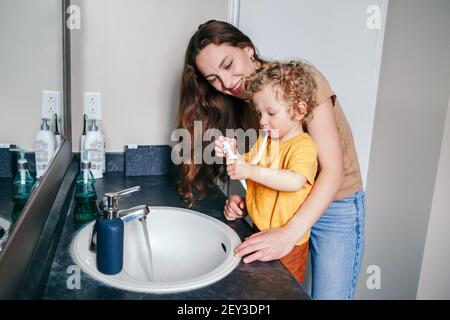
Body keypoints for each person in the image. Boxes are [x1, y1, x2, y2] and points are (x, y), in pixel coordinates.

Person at [175, 20, 366, 299]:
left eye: (227, 65)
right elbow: (268, 165)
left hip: (335, 203)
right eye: (213, 79)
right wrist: (249, 201)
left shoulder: (300, 82)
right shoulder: (241, 104)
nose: (226, 83)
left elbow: (332, 171)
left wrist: (290, 234)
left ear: (248, 50)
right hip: (284, 203)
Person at [215, 60, 318, 283]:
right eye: (259, 112)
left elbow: (294, 181)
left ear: (299, 111)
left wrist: (250, 170)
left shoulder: (304, 146)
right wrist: (231, 153)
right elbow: (246, 168)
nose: (262, 121)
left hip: (289, 244)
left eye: (270, 113)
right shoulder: (265, 141)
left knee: (282, 290)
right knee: (258, 287)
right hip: (259, 231)